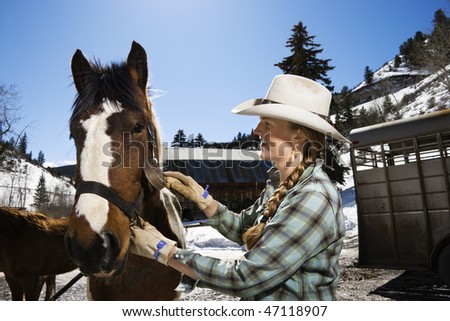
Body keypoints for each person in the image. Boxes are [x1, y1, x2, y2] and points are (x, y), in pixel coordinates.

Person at [130, 74, 349, 300]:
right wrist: (204, 199)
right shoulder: (279, 183)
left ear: (298, 136)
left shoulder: (312, 197)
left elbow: (246, 277)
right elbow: (245, 230)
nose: (256, 130)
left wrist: (164, 251)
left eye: (267, 123)